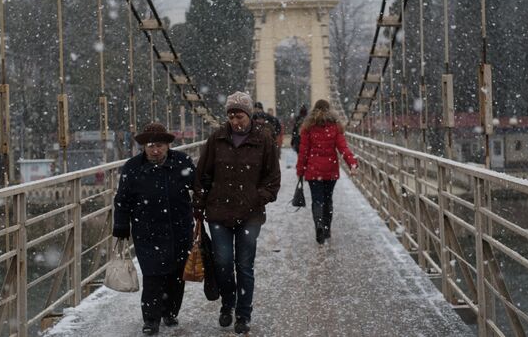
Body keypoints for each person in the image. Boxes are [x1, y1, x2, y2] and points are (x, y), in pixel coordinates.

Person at [193, 91, 281, 334]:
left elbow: (272, 179)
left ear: (249, 115)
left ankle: (243, 314)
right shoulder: (216, 139)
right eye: (231, 116)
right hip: (218, 212)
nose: (235, 121)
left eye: (239, 115)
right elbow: (203, 174)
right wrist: (199, 205)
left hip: (250, 215)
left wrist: (256, 198)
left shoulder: (264, 140)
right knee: (222, 263)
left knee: (244, 265)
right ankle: (227, 305)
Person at [112, 123, 195, 335]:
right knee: (152, 275)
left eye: (159, 145)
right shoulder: (132, 167)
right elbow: (122, 199)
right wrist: (121, 226)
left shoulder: (182, 162)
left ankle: (170, 312)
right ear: (143, 147)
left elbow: (199, 188)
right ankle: (151, 320)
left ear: (167, 146)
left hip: (179, 228)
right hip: (147, 231)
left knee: (176, 275)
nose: (155, 150)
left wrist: (204, 213)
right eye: (150, 146)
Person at [296, 99, 358, 245]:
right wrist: (352, 164)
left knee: (317, 200)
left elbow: (303, 152)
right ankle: (326, 228)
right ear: (329, 110)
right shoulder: (335, 126)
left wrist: (300, 170)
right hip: (330, 170)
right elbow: (343, 148)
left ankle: (318, 225)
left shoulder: (308, 127)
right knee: (328, 200)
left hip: (313, 170)